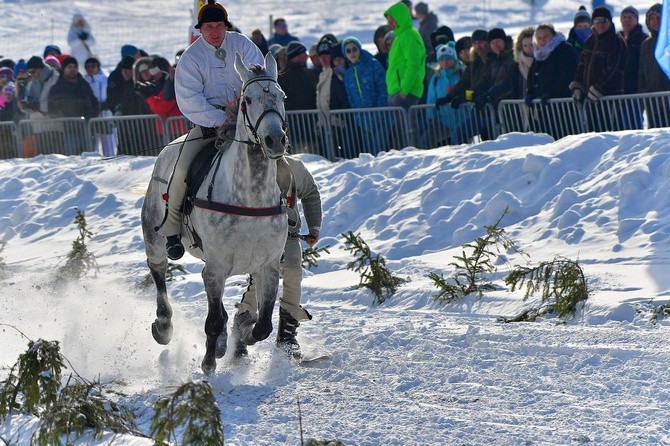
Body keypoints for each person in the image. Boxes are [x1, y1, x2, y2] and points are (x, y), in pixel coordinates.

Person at [160, 0, 264, 260]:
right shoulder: (191, 58)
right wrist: (221, 119)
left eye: (219, 25)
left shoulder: (242, 45)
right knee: (180, 171)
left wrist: (243, 113)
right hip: (209, 128)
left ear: (226, 26)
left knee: (279, 162)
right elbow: (190, 99)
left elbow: (258, 77)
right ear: (201, 29)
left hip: (247, 122)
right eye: (209, 26)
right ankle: (172, 229)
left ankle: (288, 220)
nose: (215, 31)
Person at [233, 156, 322, 359]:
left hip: (288, 233)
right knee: (260, 280)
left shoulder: (295, 167)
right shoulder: (249, 167)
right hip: (258, 235)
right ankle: (242, 324)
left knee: (293, 273)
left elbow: (310, 193)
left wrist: (314, 226)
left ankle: (287, 336)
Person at [570, 6, 627, 131]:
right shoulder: (590, 40)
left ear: (610, 22)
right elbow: (581, 66)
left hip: (610, 98)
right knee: (594, 135)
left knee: (610, 134)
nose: (600, 24)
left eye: (603, 21)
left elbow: (614, 69)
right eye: (596, 21)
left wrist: (598, 88)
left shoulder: (616, 40)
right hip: (591, 99)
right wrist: (577, 86)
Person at [525, 24, 578, 138]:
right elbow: (533, 76)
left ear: (553, 36)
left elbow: (567, 75)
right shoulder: (539, 54)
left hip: (563, 109)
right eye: (539, 38)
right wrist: (530, 93)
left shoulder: (564, 49)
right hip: (544, 110)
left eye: (546, 37)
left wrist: (552, 93)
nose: (542, 40)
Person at [342, 36, 388, 154]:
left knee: (380, 152)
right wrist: (358, 116)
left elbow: (382, 88)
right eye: (348, 51)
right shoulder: (348, 74)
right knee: (369, 153)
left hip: (380, 118)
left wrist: (378, 111)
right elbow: (351, 98)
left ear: (359, 49)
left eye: (354, 49)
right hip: (363, 121)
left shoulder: (373, 65)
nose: (352, 53)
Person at [47, 56, 99, 155]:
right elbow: (51, 108)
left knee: (90, 159)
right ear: (64, 69)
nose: (72, 69)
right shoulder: (57, 87)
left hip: (87, 128)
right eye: (69, 67)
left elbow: (94, 101)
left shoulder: (83, 84)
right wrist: (60, 117)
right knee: (72, 158)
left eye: (75, 67)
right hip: (69, 131)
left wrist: (93, 114)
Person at [384, 1, 426, 109]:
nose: (390, 23)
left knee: (408, 125)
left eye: (392, 19)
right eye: (388, 20)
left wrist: (404, 91)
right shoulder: (400, 36)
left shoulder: (409, 35)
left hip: (406, 93)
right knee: (403, 126)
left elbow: (413, 65)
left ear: (400, 17)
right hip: (399, 92)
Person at [17, 56, 61, 157]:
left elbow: (55, 103)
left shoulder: (55, 79)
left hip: (55, 127)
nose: (31, 74)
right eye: (29, 72)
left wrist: (36, 106)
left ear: (41, 69)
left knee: (57, 159)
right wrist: (24, 106)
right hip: (38, 128)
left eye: (33, 71)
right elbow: (30, 103)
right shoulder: (31, 83)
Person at [427, 42, 467, 142]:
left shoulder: (462, 73)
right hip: (444, 122)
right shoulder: (436, 78)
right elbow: (431, 99)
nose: (445, 62)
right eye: (442, 60)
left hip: (463, 121)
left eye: (448, 59)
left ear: (454, 59)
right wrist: (431, 118)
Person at [638, 3, 670, 127]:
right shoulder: (645, 45)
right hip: (653, 102)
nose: (656, 21)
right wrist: (643, 96)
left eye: (659, 18)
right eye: (652, 18)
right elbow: (641, 73)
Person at [83, 56, 115, 157]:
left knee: (108, 142)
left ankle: (110, 158)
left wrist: (107, 104)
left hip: (105, 115)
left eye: (93, 66)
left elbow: (111, 94)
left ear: (98, 67)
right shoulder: (84, 81)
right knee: (93, 142)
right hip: (92, 115)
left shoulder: (105, 79)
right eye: (88, 67)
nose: (90, 69)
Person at [278, 41, 317, 111]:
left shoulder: (308, 73)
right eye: (304, 55)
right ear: (297, 56)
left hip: (311, 118)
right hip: (291, 119)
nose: (306, 58)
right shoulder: (282, 76)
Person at [619, 6, 648, 94]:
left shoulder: (643, 39)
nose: (627, 20)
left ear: (636, 20)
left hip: (635, 89)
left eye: (630, 17)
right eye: (624, 17)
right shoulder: (616, 39)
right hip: (618, 90)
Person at [510, 27, 535, 99]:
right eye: (525, 46)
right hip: (521, 104)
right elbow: (515, 88)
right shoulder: (517, 65)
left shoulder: (542, 61)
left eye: (531, 45)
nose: (529, 49)